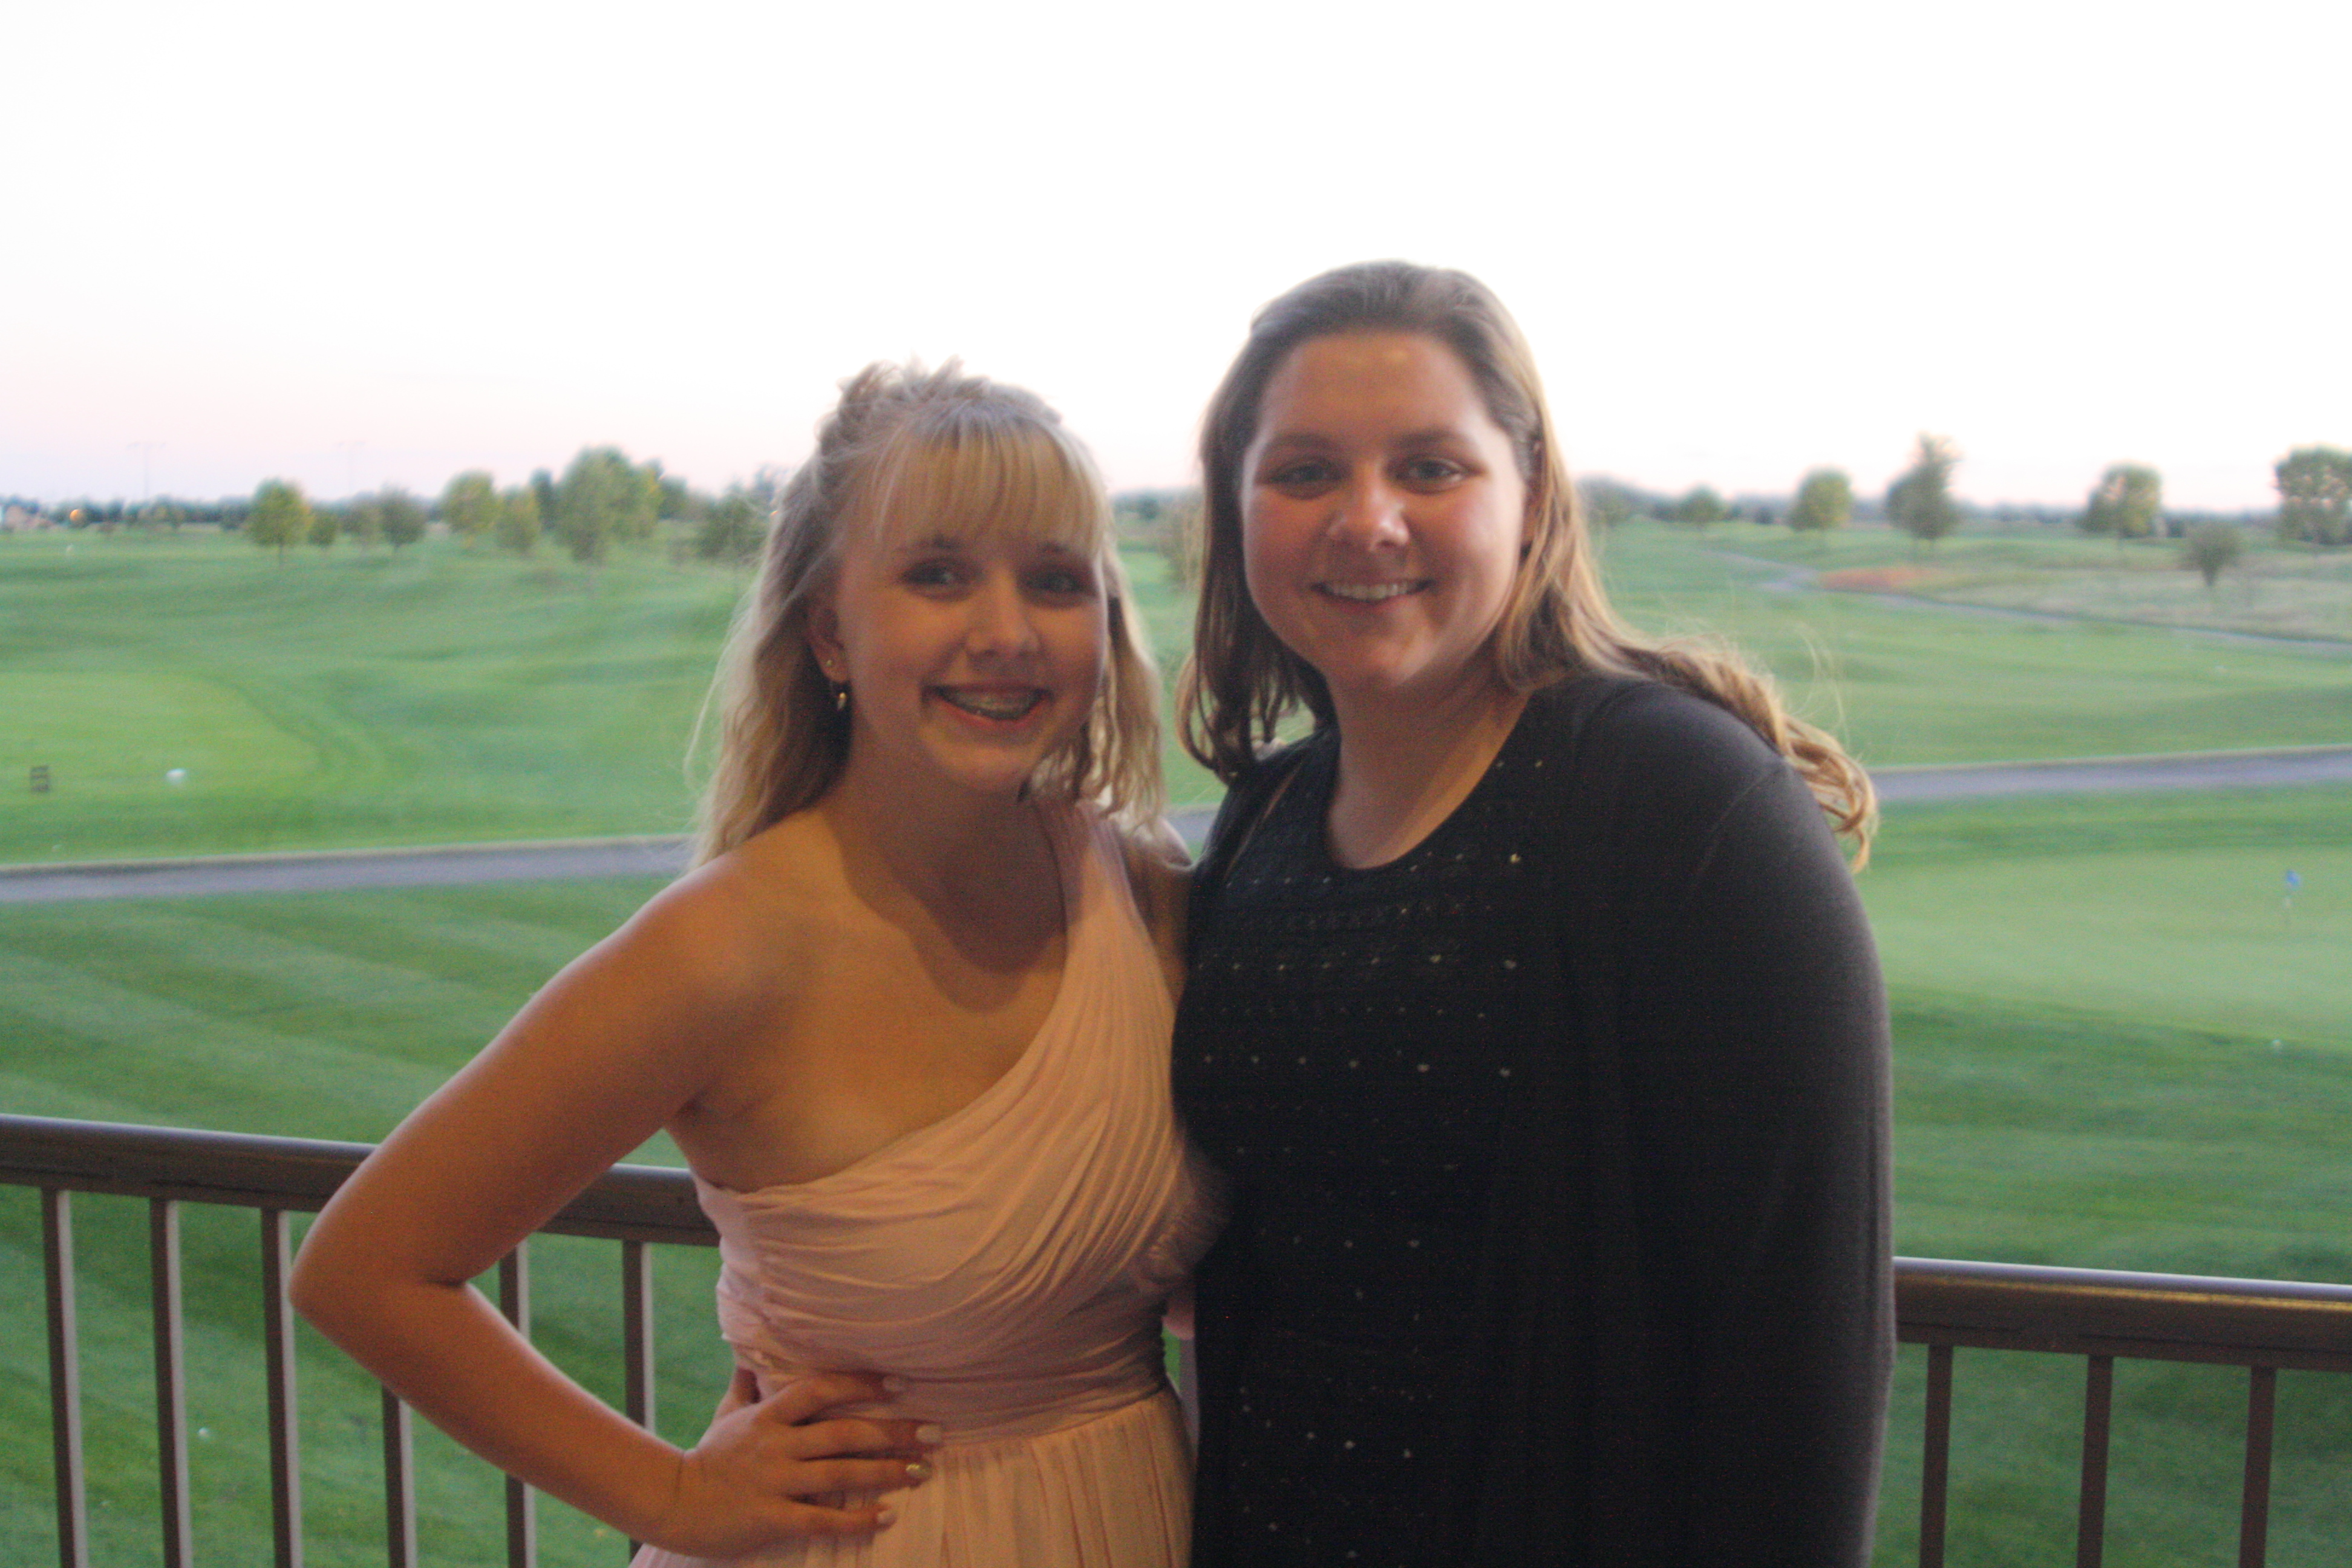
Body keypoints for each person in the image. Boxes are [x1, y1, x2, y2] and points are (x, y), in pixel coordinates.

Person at [292, 362, 1219, 1567]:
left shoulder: (1143, 890)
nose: (1005, 633)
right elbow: (367, 1270)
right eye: (939, 575)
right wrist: (673, 1498)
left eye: (1056, 580)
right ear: (830, 628)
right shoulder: (722, 950)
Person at [1170, 262, 1892, 1567]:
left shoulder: (1683, 810)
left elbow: (1802, 1353)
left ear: (1533, 495)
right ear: (1238, 507)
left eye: (1431, 468)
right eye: (1306, 471)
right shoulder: (1262, 823)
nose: (1367, 520)